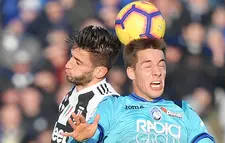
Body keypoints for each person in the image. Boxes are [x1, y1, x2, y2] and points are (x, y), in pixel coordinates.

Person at [63, 38, 215, 143]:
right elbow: (90, 133)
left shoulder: (183, 110)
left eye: (161, 65)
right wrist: (82, 139)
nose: (157, 72)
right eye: (148, 66)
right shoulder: (113, 105)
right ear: (131, 72)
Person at [51, 25, 122, 143]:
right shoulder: (73, 92)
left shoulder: (108, 105)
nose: (68, 65)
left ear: (100, 71)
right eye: (71, 57)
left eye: (78, 63)